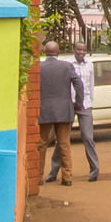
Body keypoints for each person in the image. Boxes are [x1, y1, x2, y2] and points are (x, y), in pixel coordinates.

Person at [37, 39, 83, 187]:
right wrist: (78, 103)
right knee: (64, 144)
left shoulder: (39, 67)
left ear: (45, 52)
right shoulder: (67, 66)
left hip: (44, 110)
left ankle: (37, 177)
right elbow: (79, 85)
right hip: (64, 110)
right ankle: (67, 177)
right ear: (58, 52)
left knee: (41, 145)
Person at [72, 45, 101, 182]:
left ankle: (94, 170)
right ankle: (54, 171)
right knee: (62, 139)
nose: (81, 52)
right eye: (79, 50)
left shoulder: (90, 66)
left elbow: (91, 85)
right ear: (74, 50)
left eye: (84, 50)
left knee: (88, 137)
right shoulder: (68, 64)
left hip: (85, 104)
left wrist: (90, 102)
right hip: (70, 103)